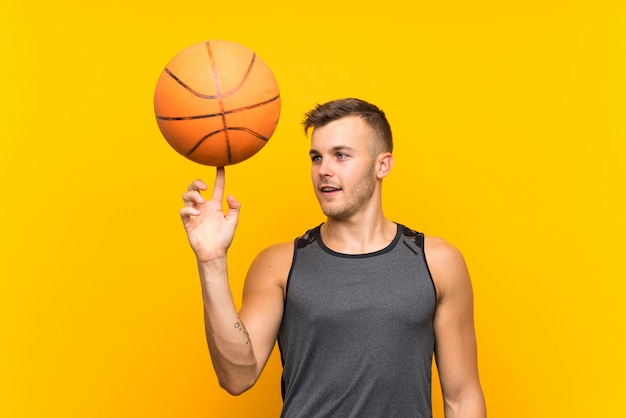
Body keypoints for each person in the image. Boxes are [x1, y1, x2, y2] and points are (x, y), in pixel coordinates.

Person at [180, 98, 486, 417]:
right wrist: (211, 260)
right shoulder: (279, 265)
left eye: (341, 155)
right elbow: (236, 376)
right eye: (316, 157)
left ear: (383, 165)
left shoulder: (437, 263)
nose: (324, 170)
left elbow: (462, 398)